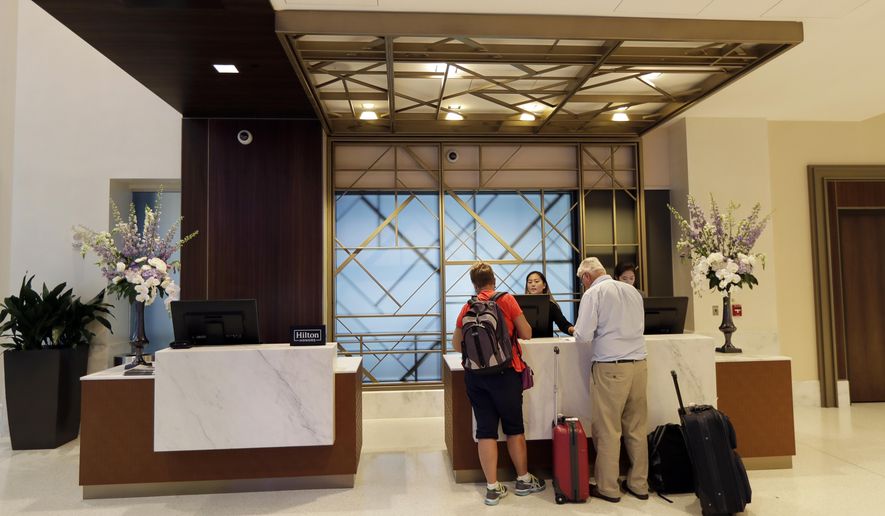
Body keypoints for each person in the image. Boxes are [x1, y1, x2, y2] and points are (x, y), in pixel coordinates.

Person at [452, 262, 546, 506]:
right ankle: (523, 479)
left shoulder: (467, 306)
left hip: (476, 377)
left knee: (485, 430)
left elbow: (455, 344)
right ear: (493, 279)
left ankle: (492, 488)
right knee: (514, 427)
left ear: (474, 284)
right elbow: (526, 333)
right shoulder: (506, 299)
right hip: (506, 373)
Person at [573, 257, 648, 503]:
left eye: (582, 281)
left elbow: (583, 336)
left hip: (611, 367)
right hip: (639, 365)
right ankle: (639, 484)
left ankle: (608, 487)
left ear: (586, 277)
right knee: (636, 428)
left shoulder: (594, 294)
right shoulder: (632, 291)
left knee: (608, 430)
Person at [524, 270, 574, 337]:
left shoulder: (551, 305)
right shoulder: (520, 305)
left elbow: (563, 325)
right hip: (524, 344)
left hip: (545, 344)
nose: (533, 284)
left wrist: (573, 330)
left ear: (544, 285)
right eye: (530, 282)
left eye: (536, 281)